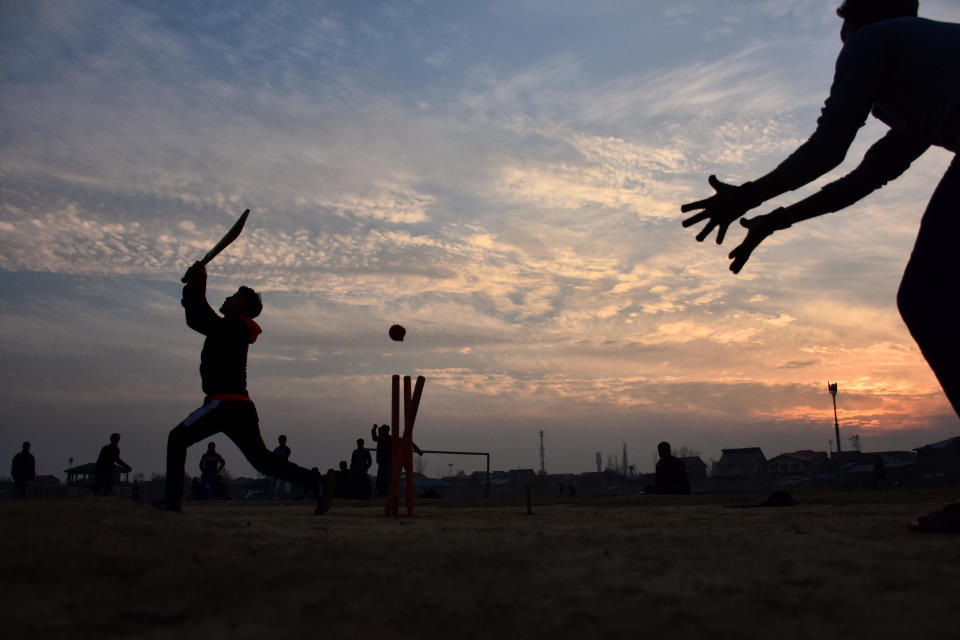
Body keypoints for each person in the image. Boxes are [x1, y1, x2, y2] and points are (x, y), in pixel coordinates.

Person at [682, 0, 960, 418]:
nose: (841, 26)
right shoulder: (924, 76)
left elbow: (829, 149)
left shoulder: (874, 41)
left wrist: (747, 197)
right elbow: (862, 180)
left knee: (925, 298)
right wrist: (775, 220)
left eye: (846, 14)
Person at [155, 261, 334, 514]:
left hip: (225, 404)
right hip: (237, 407)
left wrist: (197, 284)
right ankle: (316, 482)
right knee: (263, 462)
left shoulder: (235, 327)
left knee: (177, 439)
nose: (228, 298)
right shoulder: (231, 327)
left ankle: (171, 502)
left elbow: (199, 319)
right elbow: (200, 318)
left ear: (242, 307)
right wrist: (196, 285)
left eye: (234, 296)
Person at [370, 424, 423, 498]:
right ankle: (382, 494)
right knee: (383, 479)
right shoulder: (384, 438)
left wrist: (418, 451)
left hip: (387, 462)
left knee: (385, 479)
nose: (380, 432)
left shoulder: (389, 439)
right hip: (383, 462)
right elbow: (374, 438)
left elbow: (407, 441)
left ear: (385, 431)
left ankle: (384, 494)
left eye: (381, 430)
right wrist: (418, 451)